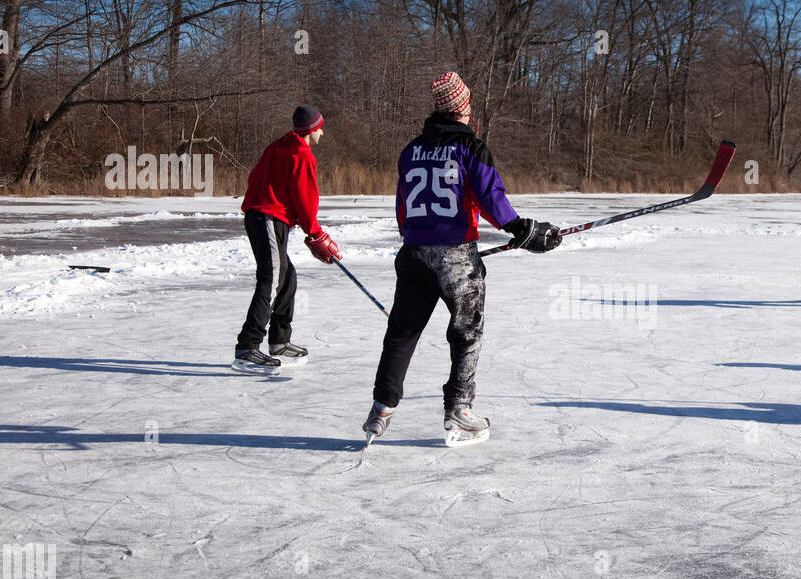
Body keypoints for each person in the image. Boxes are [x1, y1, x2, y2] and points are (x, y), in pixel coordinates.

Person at [363, 72, 560, 446]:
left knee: (402, 332)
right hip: (456, 259)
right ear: (462, 109)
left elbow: (404, 207)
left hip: (413, 255)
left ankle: (382, 406)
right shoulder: (471, 149)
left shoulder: (410, 150)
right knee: (466, 333)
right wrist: (522, 229)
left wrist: (418, 241)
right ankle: (459, 408)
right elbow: (490, 196)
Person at [233, 106, 341, 373]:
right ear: (311, 129)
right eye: (320, 128)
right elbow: (305, 199)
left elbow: (256, 176)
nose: (322, 132)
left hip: (265, 216)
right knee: (271, 278)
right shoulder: (302, 155)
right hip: (268, 217)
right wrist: (315, 233)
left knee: (287, 277)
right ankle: (248, 347)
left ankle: (280, 341)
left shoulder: (278, 145)